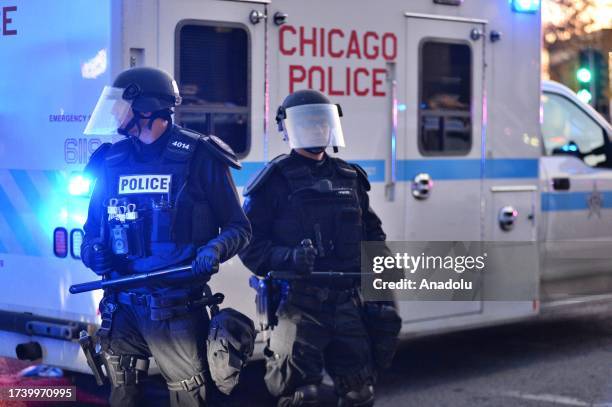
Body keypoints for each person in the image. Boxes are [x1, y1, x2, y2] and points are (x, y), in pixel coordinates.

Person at [80, 66, 251, 407]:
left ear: (146, 108)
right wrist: (93, 252)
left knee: (188, 398)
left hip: (174, 309)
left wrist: (214, 249)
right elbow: (90, 233)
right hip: (121, 307)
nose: (114, 112)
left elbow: (240, 229)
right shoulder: (111, 160)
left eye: (121, 104)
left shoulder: (199, 156)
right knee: (123, 398)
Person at [239, 89, 400, 407]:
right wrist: (289, 258)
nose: (317, 128)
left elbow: (371, 231)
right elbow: (250, 244)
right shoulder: (274, 181)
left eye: (322, 122)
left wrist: (382, 274)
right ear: (287, 129)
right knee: (303, 397)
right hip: (300, 303)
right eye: (307, 122)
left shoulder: (348, 177)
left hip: (347, 303)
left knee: (359, 392)